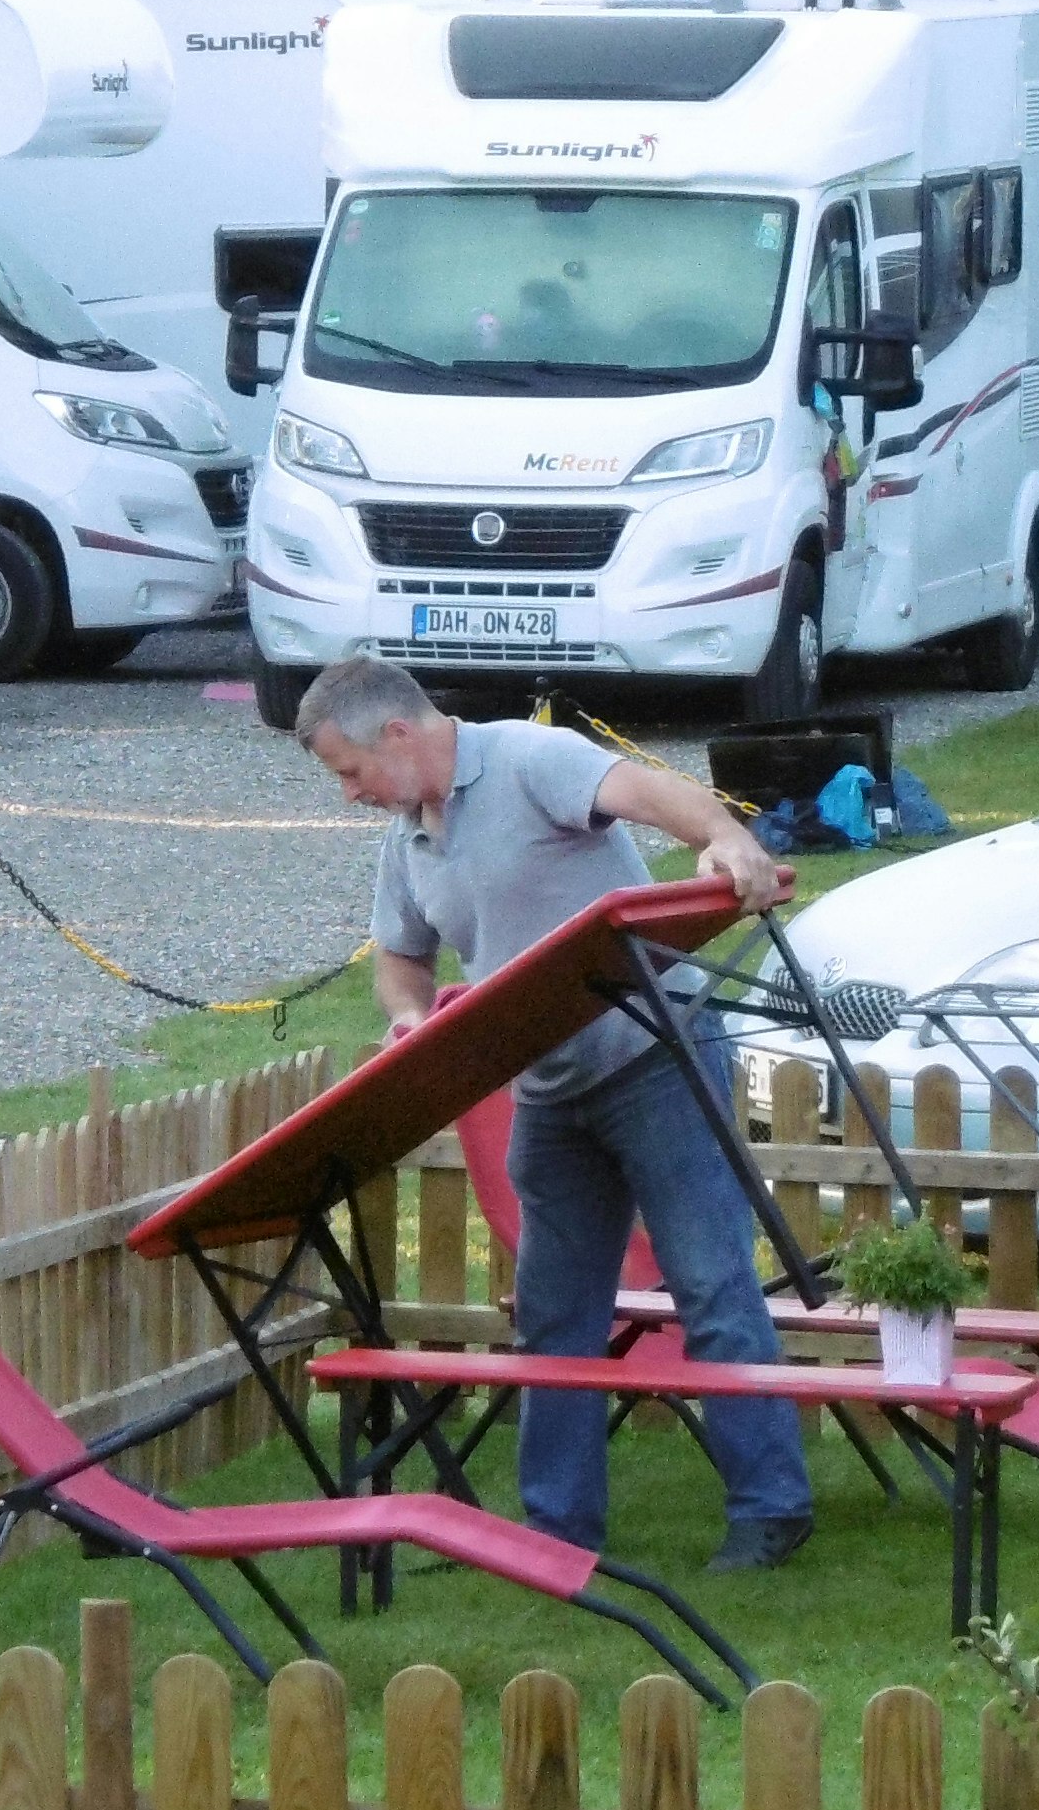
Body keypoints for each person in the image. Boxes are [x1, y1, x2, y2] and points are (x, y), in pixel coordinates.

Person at [290, 654, 817, 1571]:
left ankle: (772, 1508)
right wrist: (408, 1013)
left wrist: (727, 839)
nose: (349, 794)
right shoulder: (408, 841)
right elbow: (400, 957)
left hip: (656, 1055)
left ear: (399, 734)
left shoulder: (531, 760)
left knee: (709, 1284)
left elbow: (650, 792)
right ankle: (557, 1529)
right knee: (553, 1312)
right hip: (547, 1091)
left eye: (351, 770)